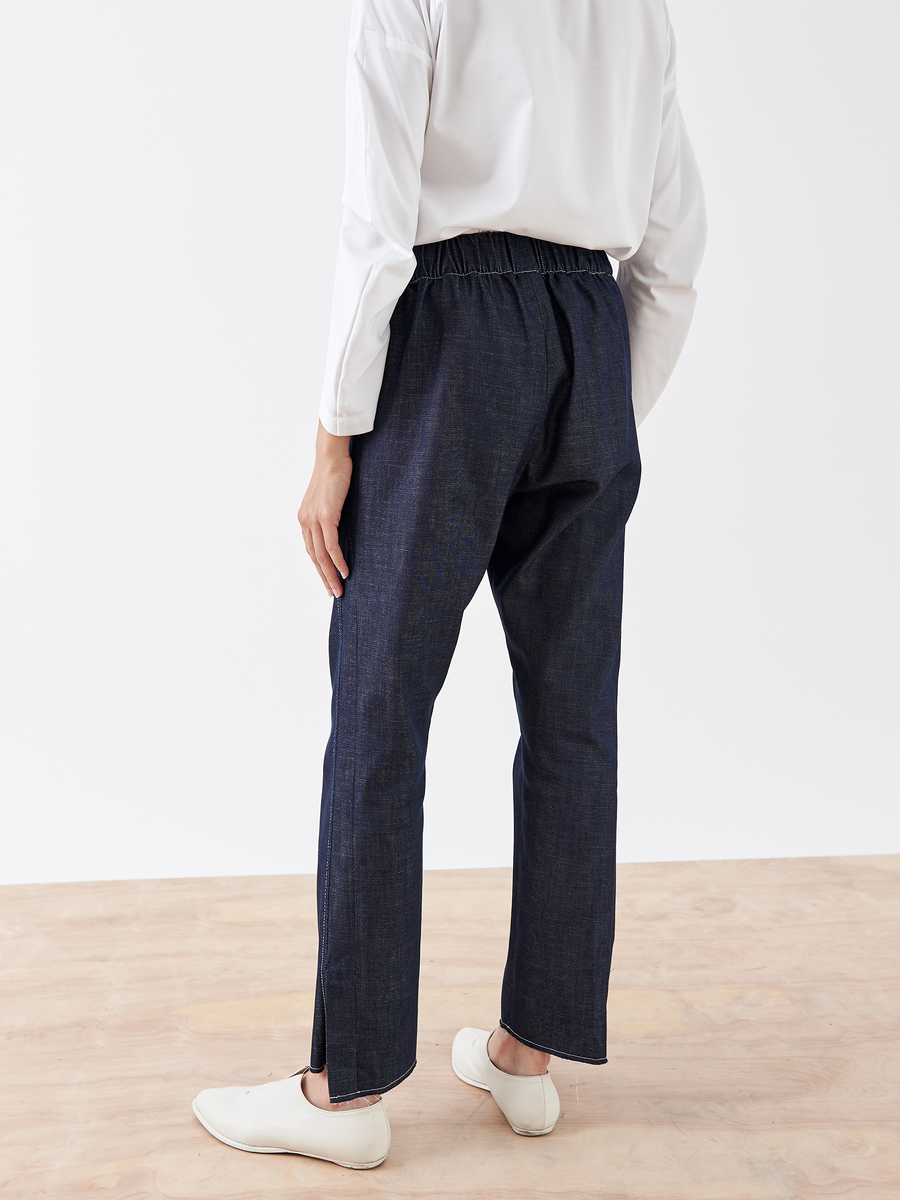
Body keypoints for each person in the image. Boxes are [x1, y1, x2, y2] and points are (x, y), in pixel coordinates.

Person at [192, 0, 706, 1170]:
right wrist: (603, 415)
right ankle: (529, 1055)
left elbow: (377, 226)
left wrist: (335, 436)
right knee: (573, 720)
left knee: (380, 708)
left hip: (454, 333)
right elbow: (677, 246)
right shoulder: (640, 10)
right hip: (593, 327)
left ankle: (345, 1090)